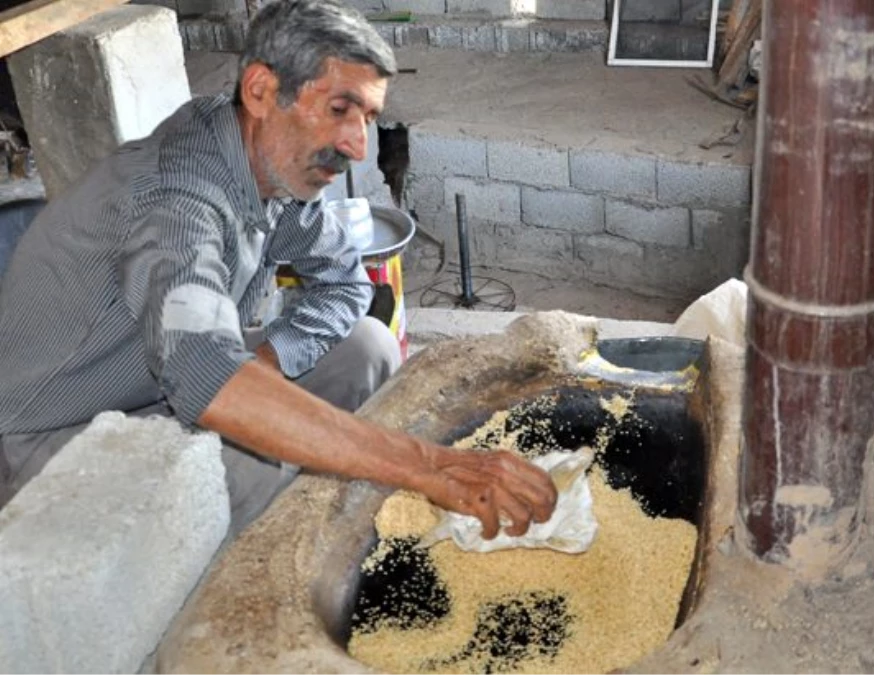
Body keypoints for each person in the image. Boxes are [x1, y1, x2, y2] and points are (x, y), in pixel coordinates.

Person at [0, 0, 556, 537]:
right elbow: (208, 376)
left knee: (368, 346)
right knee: (257, 467)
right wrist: (430, 467)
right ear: (262, 91)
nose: (357, 146)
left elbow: (346, 279)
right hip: (57, 428)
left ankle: (314, 497)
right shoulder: (175, 198)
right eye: (339, 110)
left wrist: (268, 359)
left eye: (368, 117)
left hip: (161, 379)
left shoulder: (267, 161)